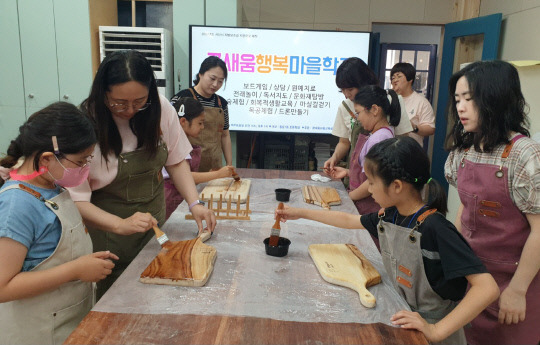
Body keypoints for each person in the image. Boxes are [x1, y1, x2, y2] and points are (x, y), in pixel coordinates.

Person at [276, 136, 499, 344]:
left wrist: (436, 330)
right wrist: (300, 212)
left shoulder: (436, 228)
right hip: (404, 320)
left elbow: (487, 288)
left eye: (372, 182)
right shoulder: (390, 215)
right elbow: (346, 219)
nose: (368, 189)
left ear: (397, 186)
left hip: (435, 333)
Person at [67, 50, 216, 300]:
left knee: (158, 291)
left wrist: (195, 203)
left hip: (153, 227)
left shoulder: (159, 108)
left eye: (139, 102)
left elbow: (176, 161)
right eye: (119, 103)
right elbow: (76, 200)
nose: (129, 110)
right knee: (116, 305)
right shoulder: (85, 125)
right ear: (102, 93)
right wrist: (120, 224)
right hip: (110, 237)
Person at [0, 102, 118, 344]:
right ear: (46, 158)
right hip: (37, 333)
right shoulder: (17, 204)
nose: (85, 168)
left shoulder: (51, 184)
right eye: (81, 161)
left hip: (67, 322)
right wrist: (75, 270)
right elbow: (3, 287)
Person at [444, 60, 540, 345]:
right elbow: (466, 208)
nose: (460, 107)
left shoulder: (524, 153)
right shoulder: (465, 150)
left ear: (494, 99)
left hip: (513, 280)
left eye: (469, 99)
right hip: (473, 277)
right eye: (458, 99)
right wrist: (452, 257)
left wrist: (518, 289)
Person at [323, 57, 412, 185]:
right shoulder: (345, 106)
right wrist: (334, 158)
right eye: (342, 90)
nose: (346, 95)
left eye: (350, 89)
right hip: (357, 177)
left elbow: (403, 140)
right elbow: (344, 142)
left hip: (384, 179)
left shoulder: (392, 100)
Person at [330, 85, 400, 216]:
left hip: (368, 208)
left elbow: (372, 181)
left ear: (374, 110)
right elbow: (371, 173)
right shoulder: (380, 134)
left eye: (358, 112)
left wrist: (348, 197)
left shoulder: (378, 139)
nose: (358, 118)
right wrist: (348, 172)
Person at [164, 97, 235, 220]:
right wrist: (218, 174)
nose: (202, 127)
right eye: (200, 123)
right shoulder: (172, 143)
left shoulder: (183, 140)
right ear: (183, 122)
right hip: (168, 197)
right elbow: (184, 176)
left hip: (180, 195)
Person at [171, 56, 232, 172]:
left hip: (214, 166)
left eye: (220, 81)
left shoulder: (221, 104)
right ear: (200, 74)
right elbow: (170, 133)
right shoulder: (182, 98)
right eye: (212, 78)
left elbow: (225, 135)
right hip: (187, 165)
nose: (215, 84)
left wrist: (229, 164)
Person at [390, 62, 435, 148]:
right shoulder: (389, 99)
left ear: (410, 80)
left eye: (399, 77)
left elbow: (430, 129)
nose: (395, 80)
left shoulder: (421, 102)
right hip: (390, 149)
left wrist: (413, 127)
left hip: (410, 151)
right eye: (393, 78)